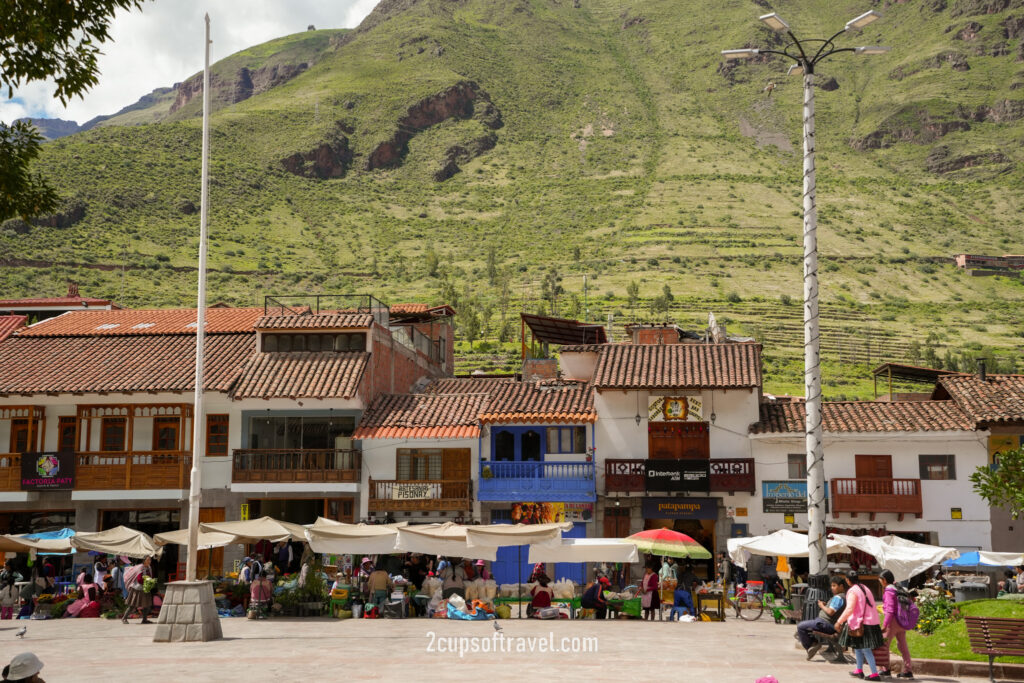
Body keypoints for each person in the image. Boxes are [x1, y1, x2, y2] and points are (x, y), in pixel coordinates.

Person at [835, 570, 883, 681]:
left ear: (847, 580)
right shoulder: (865, 588)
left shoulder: (853, 591)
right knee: (858, 646)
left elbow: (850, 608)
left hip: (862, 623)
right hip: (871, 621)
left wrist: (839, 621)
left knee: (865, 648)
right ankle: (859, 670)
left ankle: (875, 674)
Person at [796, 575, 847, 658]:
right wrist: (825, 605)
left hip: (826, 624)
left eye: (834, 586)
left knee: (800, 626)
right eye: (831, 586)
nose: (832, 588)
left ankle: (812, 645)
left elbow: (830, 612)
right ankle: (813, 644)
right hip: (824, 623)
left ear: (841, 586)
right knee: (803, 627)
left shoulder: (838, 597)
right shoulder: (840, 597)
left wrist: (821, 606)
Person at [879, 570, 914, 679]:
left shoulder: (889, 591)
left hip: (892, 622)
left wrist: (885, 625)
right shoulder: (898, 588)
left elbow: (889, 610)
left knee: (884, 645)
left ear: (884, 580)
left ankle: (885, 669)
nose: (880, 582)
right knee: (903, 646)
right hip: (901, 621)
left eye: (880, 580)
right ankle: (908, 670)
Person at [121, 556, 154, 624]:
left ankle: (144, 620)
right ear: (144, 560)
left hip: (145, 588)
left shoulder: (149, 567)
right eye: (148, 560)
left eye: (150, 560)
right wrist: (147, 581)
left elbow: (150, 576)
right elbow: (139, 579)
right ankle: (124, 618)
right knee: (133, 605)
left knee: (146, 604)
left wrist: (150, 582)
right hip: (137, 589)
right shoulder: (140, 567)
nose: (149, 561)